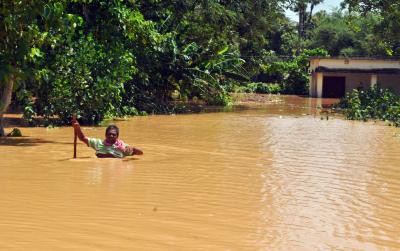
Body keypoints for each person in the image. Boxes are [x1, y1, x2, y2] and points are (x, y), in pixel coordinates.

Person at [72, 118, 143, 158]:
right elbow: (82, 138)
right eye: (109, 134)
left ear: (117, 136)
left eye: (113, 134)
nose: (111, 136)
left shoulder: (122, 146)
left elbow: (140, 153)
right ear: (105, 135)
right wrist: (77, 128)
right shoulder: (98, 143)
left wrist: (133, 149)